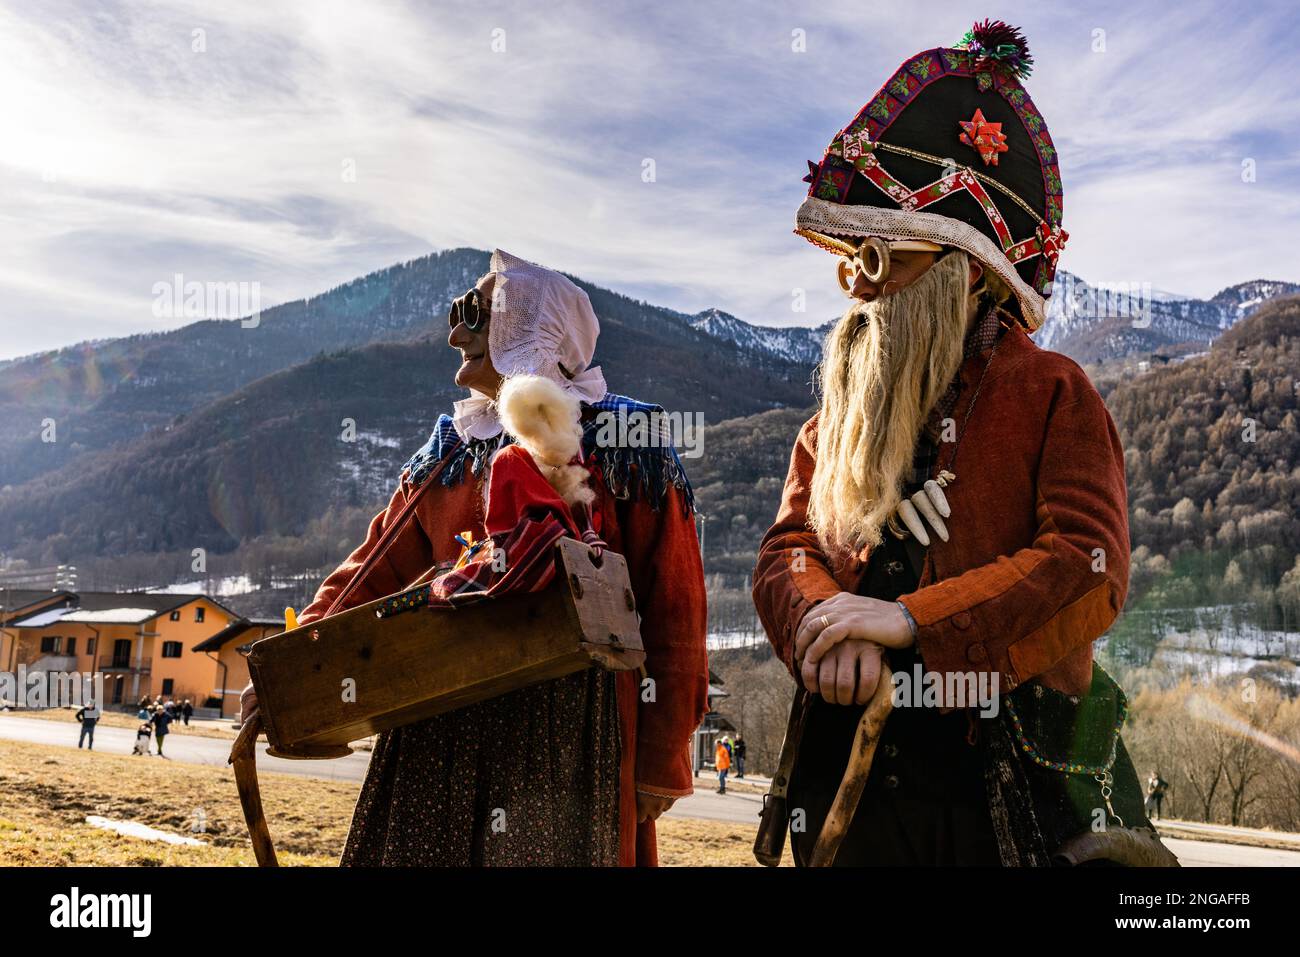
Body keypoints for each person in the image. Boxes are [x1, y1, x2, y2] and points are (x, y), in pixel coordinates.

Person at [753, 21, 1157, 866]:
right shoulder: (834, 424)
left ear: (964, 271)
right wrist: (826, 625)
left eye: (882, 257)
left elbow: (1088, 564)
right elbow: (788, 547)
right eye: (851, 263)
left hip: (1000, 794)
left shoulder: (1054, 393)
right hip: (847, 793)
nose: (860, 292)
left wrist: (908, 620)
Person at [239, 249, 708, 866]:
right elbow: (371, 572)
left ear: (532, 329)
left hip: (572, 741)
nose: (455, 332)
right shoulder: (451, 450)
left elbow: (676, 612)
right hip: (439, 720)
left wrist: (661, 761)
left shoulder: (628, 442)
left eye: (476, 314)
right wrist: (287, 670)